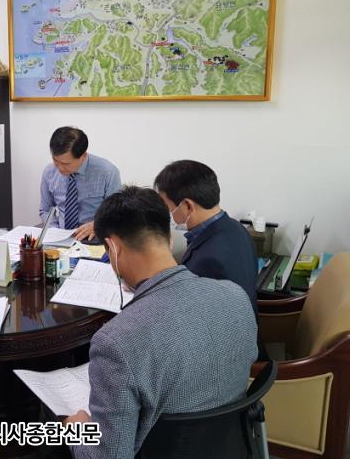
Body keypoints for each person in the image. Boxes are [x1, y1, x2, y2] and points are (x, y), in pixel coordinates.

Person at [64, 187, 257, 457]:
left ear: (114, 248)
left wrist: (76, 429)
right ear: (168, 237)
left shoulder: (116, 342)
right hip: (232, 448)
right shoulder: (236, 297)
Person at [154, 160, 258, 312]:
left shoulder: (209, 261)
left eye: (168, 208)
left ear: (187, 206)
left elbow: (191, 309)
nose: (169, 214)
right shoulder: (236, 227)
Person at [40, 127, 121, 241]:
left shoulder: (108, 172)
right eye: (55, 161)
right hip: (61, 237)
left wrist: (96, 225)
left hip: (94, 237)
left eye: (66, 163)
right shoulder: (49, 172)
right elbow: (45, 210)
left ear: (83, 156)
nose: (60, 168)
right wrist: (55, 230)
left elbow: (117, 214)